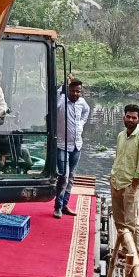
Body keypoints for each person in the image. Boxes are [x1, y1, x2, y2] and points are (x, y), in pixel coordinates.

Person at [109, 104, 139, 253]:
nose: (131, 120)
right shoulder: (121, 135)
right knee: (119, 220)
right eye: (128, 116)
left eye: (134, 117)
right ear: (124, 117)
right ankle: (124, 249)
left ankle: (134, 254)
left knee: (131, 223)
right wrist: (113, 177)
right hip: (116, 182)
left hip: (130, 186)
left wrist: (132, 187)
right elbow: (118, 157)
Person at [53, 76, 90, 218]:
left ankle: (65, 204)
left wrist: (81, 124)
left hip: (77, 145)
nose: (75, 94)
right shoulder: (61, 101)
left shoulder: (82, 102)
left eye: (78, 91)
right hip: (62, 145)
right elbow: (54, 100)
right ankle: (57, 206)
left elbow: (87, 111)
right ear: (68, 90)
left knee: (72, 177)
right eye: (73, 91)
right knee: (64, 177)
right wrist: (63, 85)